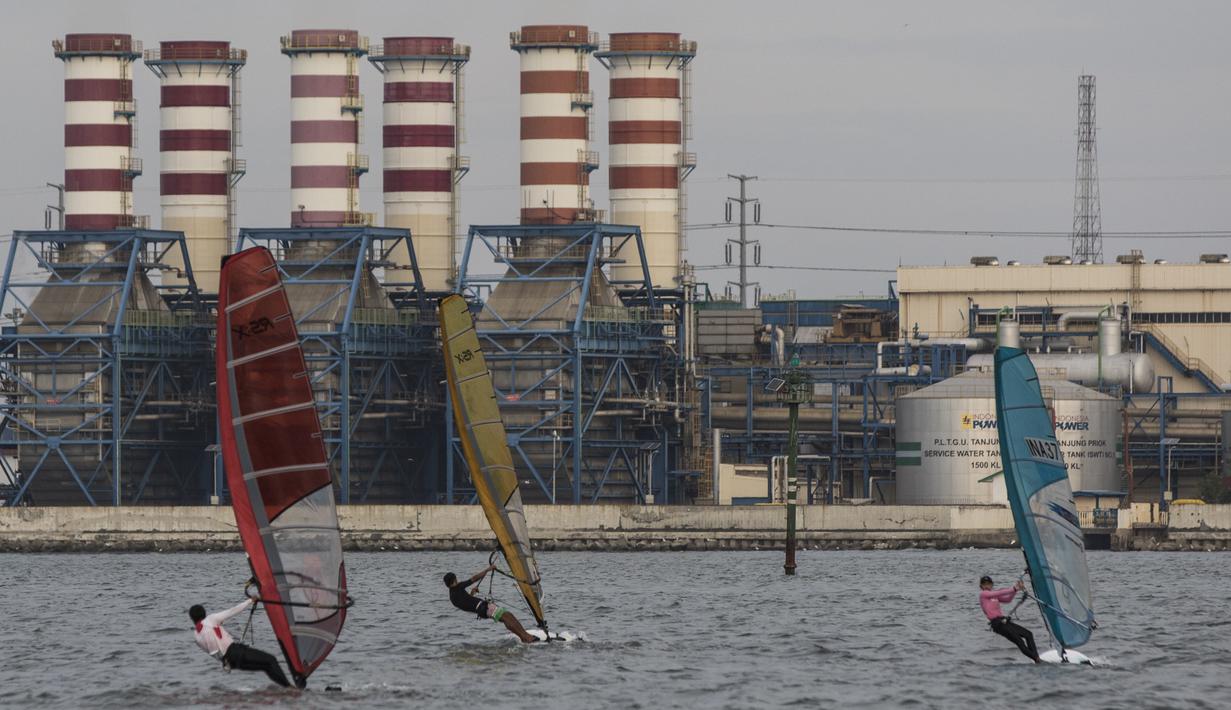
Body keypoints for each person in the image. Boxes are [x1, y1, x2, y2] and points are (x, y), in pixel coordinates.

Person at [190, 597, 300, 688]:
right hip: (235, 652)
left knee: (266, 666)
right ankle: (290, 689)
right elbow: (232, 611)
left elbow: (214, 647)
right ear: (204, 613)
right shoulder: (211, 619)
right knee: (271, 660)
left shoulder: (196, 636)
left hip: (229, 663)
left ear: (192, 618)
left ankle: (287, 690)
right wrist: (250, 600)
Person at [445, 564, 538, 643]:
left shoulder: (452, 597)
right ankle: (527, 637)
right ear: (454, 580)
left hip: (481, 611)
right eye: (456, 579)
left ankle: (524, 637)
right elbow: (474, 578)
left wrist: (472, 593)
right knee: (508, 616)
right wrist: (488, 569)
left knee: (506, 618)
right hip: (484, 608)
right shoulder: (458, 587)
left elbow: (466, 603)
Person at [979, 575, 1041, 663]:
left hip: (1004, 621)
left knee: (1028, 634)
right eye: (984, 584)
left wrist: (1015, 591)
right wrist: (1015, 588)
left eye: (989, 584)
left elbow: (1008, 599)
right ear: (981, 586)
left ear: (991, 585)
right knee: (1020, 642)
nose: (987, 586)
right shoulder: (984, 594)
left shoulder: (994, 596)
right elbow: (997, 593)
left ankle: (1037, 658)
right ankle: (1037, 660)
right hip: (997, 624)